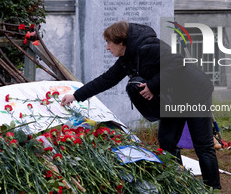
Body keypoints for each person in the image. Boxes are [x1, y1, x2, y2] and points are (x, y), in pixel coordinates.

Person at [61, 21, 221, 189]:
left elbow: (178, 61)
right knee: (166, 142)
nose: (107, 47)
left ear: (121, 41)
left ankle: (213, 189)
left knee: (202, 145)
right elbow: (106, 80)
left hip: (194, 92)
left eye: (109, 42)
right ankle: (179, 184)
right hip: (174, 98)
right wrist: (76, 95)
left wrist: (152, 85)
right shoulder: (127, 58)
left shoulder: (148, 47)